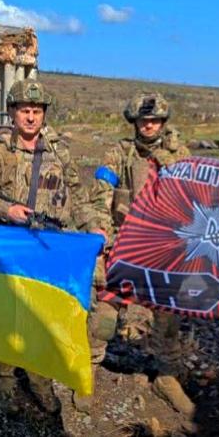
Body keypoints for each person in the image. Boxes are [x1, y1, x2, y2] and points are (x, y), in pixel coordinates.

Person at [0, 79, 102, 415]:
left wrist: (92, 228)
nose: (31, 117)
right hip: (9, 246)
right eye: (25, 110)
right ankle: (3, 381)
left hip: (46, 247)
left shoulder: (59, 151)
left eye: (37, 111)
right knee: (7, 316)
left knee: (42, 315)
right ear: (13, 112)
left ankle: (39, 379)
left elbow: (78, 196)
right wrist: (6, 210)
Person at [86, 93, 194, 416]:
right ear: (134, 122)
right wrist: (100, 229)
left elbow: (193, 202)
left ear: (163, 122)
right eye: (143, 120)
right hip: (123, 244)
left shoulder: (179, 155)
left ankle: (167, 376)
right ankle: (88, 369)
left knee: (169, 317)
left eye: (155, 120)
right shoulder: (118, 154)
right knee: (104, 313)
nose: (149, 125)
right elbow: (100, 198)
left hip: (163, 247)